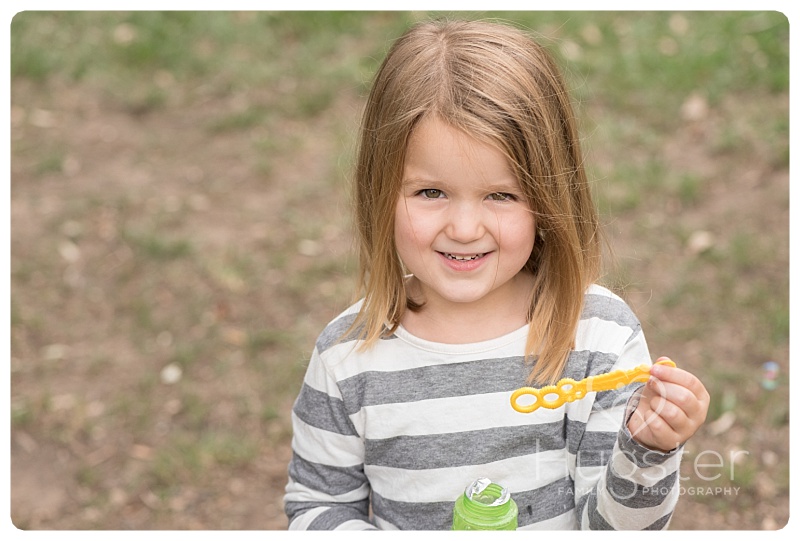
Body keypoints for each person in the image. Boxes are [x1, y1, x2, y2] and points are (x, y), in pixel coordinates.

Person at [283, 18, 709, 530]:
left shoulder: (598, 339)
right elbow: (317, 508)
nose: (464, 228)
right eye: (430, 192)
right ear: (380, 190)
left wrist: (647, 449)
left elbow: (616, 530)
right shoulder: (347, 356)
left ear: (549, 198)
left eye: (501, 195)